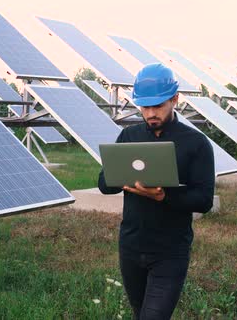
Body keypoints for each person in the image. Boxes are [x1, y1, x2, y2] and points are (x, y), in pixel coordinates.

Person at [98, 63, 215, 320]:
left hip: (170, 251)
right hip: (130, 246)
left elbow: (204, 199)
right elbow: (104, 184)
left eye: (158, 106)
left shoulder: (195, 143)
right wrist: (121, 178)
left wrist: (164, 196)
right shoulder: (129, 136)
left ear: (174, 99)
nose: (150, 113)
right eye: (144, 107)